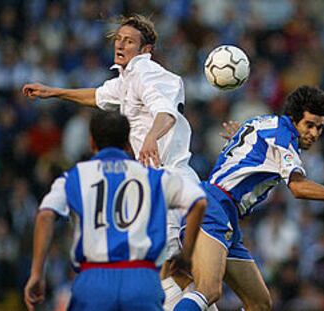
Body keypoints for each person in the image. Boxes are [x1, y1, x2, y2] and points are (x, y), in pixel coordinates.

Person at [22, 14, 202, 309]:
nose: (120, 45)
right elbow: (99, 96)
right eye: (118, 39)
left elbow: (166, 113)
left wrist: (151, 137)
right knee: (184, 278)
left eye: (129, 41)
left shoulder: (146, 71)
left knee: (171, 271)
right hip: (157, 181)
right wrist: (53, 92)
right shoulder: (127, 78)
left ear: (146, 50)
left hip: (170, 177)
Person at [173, 85, 324, 311]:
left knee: (260, 303)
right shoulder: (284, 137)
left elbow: (253, 144)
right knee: (209, 290)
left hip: (226, 215)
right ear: (293, 119)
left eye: (320, 128)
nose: (314, 134)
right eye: (309, 125)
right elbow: (298, 188)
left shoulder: (264, 122)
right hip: (212, 207)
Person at [24, 111, 207, 311]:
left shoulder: (75, 177)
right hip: (142, 280)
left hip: (93, 280)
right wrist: (186, 255)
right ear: (128, 143)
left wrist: (36, 274)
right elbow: (198, 202)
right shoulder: (153, 176)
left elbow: (45, 215)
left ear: (92, 142)